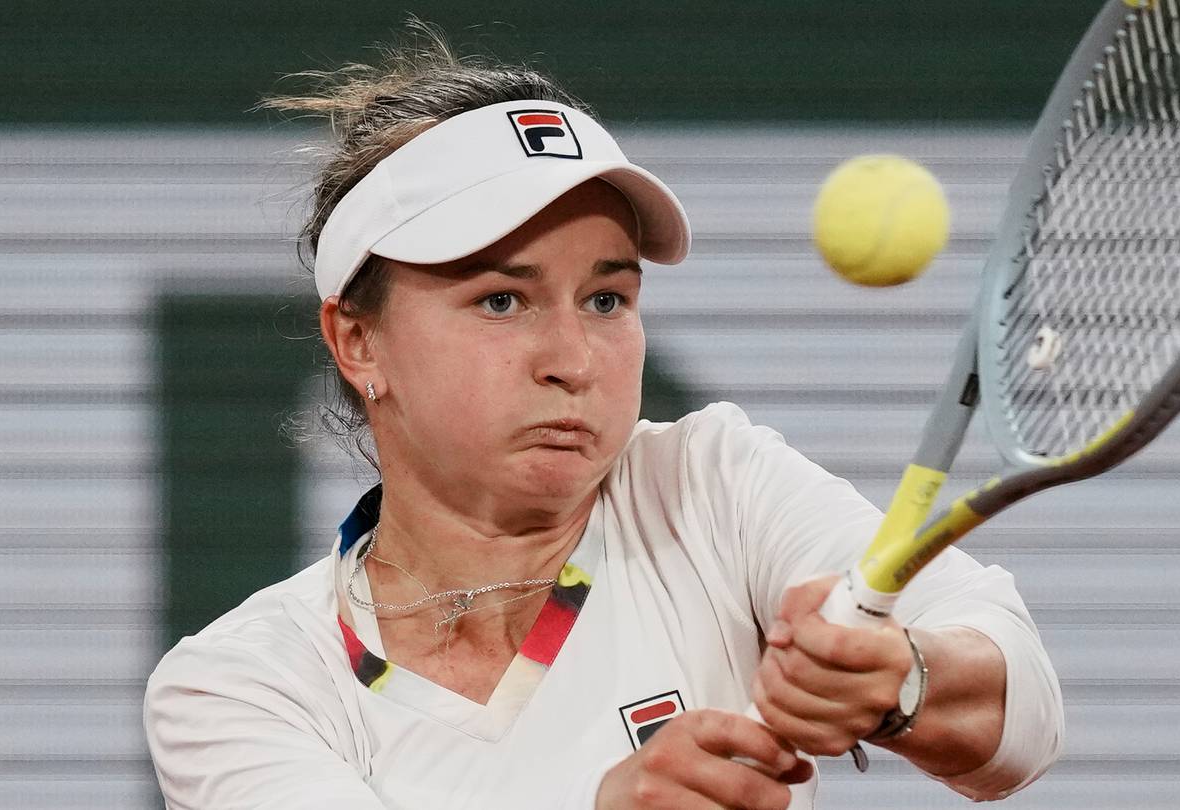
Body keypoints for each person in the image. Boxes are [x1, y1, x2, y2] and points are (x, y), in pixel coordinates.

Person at [144, 28, 1063, 810]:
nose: (573, 360)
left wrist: (898, 679)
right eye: (502, 301)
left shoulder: (711, 483)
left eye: (608, 300)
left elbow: (1018, 709)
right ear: (359, 341)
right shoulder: (240, 684)